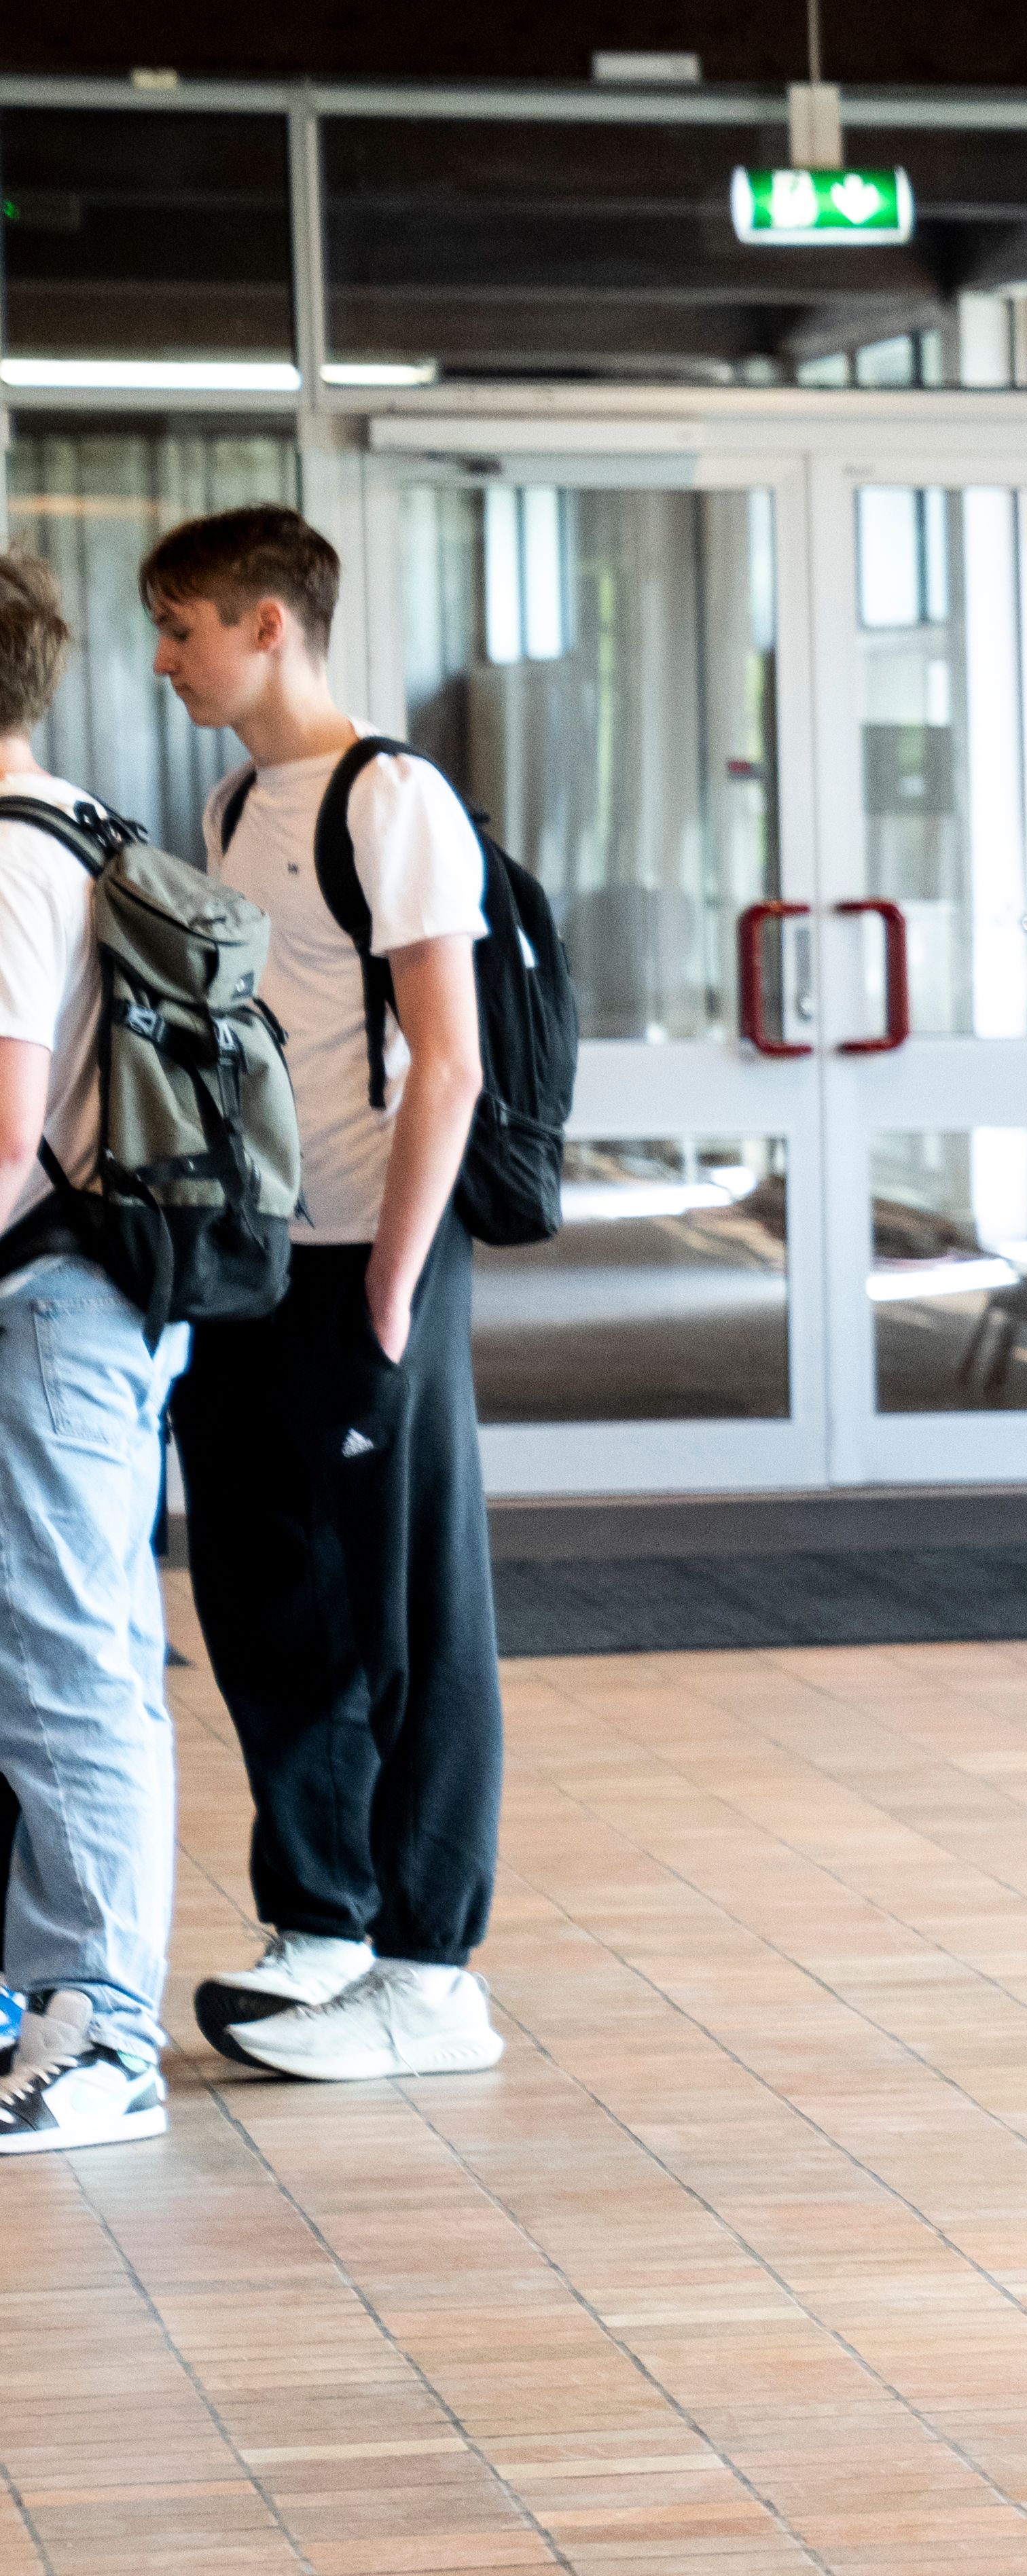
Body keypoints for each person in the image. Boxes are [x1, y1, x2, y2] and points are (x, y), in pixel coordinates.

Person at [143, 507, 507, 2083]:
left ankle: (432, 1976)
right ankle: (324, 1922)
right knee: (264, 1595)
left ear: (270, 624)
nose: (167, 660)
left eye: (185, 628)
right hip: (260, 1262)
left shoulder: (389, 797)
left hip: (376, 1258)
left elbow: (450, 1060)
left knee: (408, 1615)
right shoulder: (235, 805)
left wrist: (397, 1286)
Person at [0, 545, 198, 2156]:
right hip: (88, 1305)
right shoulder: (82, 822)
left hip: (47, 1307)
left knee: (65, 1671)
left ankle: (102, 2038)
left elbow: (5, 1132)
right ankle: (62, 2008)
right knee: (85, 1661)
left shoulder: (10, 853)